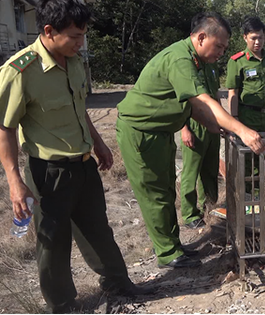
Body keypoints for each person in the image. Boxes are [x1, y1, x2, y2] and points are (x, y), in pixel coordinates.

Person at [0, 1, 151, 313]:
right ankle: (64, 304)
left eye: (83, 35)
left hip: (84, 166)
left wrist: (98, 143)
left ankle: (118, 283)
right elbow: (5, 128)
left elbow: (79, 107)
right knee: (53, 243)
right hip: (48, 173)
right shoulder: (20, 71)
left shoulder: (75, 60)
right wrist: (15, 181)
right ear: (48, 31)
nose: (81, 42)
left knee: (98, 229)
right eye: (74, 36)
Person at [116, 12, 264, 270]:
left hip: (160, 132)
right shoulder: (181, 59)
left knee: (165, 189)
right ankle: (167, 252)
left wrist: (221, 129)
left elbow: (199, 109)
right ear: (201, 37)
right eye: (218, 46)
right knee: (155, 193)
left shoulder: (198, 61)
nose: (221, 52)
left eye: (225, 48)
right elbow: (203, 101)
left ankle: (173, 245)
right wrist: (242, 130)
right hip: (140, 131)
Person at [226, 16, 265, 194]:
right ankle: (245, 198)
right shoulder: (237, 61)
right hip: (246, 115)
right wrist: (234, 120)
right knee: (245, 159)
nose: (258, 42)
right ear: (245, 37)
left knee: (261, 157)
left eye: (260, 37)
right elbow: (233, 93)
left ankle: (257, 197)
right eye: (253, 38)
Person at [178, 14, 222, 230]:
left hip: (212, 126)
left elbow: (214, 95)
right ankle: (189, 214)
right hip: (193, 125)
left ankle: (211, 208)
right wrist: (184, 129)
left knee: (211, 169)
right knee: (191, 171)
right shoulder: (186, 63)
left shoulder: (211, 65)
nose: (219, 52)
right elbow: (182, 101)